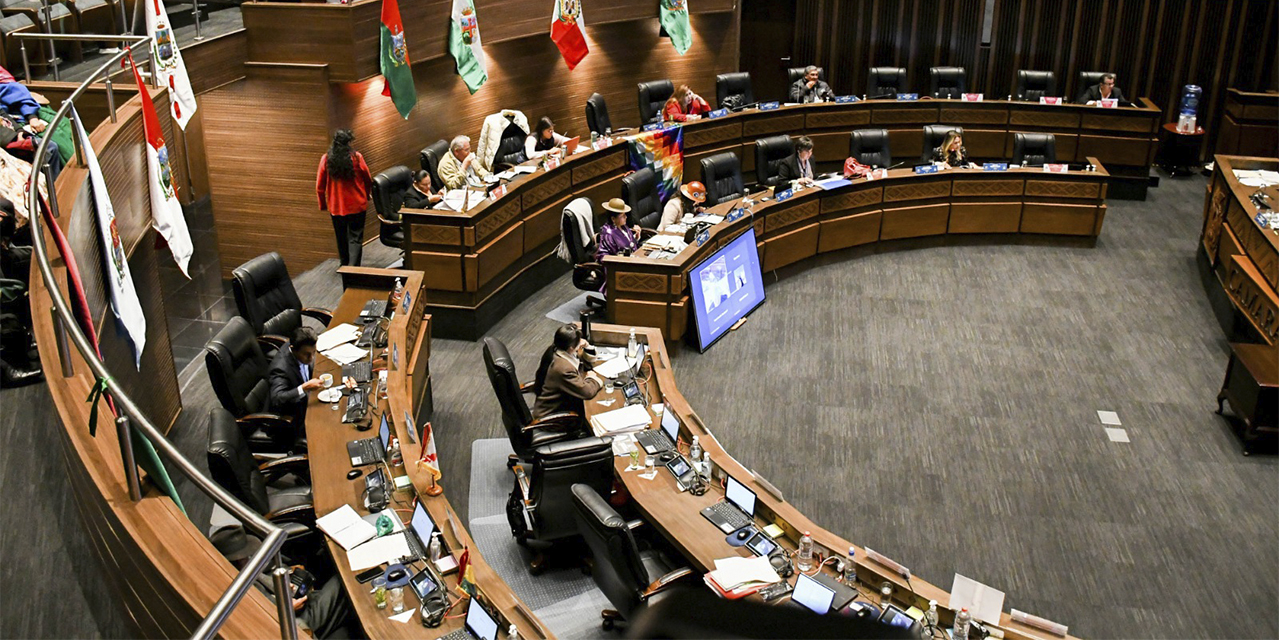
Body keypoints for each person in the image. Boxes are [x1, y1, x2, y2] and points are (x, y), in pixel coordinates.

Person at [316, 129, 372, 267]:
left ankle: (345, 270)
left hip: (337, 207)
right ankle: (354, 269)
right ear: (348, 143)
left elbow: (319, 185)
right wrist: (367, 193)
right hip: (357, 205)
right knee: (356, 239)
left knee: (341, 240)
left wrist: (323, 204)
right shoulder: (356, 157)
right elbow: (367, 178)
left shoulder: (326, 159)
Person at [531, 323, 603, 422]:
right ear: (571, 348)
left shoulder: (557, 351)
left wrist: (587, 345)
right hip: (552, 419)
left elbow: (588, 361)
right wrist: (592, 379)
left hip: (559, 404)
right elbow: (588, 392)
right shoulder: (564, 368)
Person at [268, 327, 324, 444]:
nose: (311, 358)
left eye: (314, 352)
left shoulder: (301, 352)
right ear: (293, 349)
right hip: (292, 417)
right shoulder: (281, 369)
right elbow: (277, 399)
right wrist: (304, 388)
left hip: (307, 402)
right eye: (307, 354)